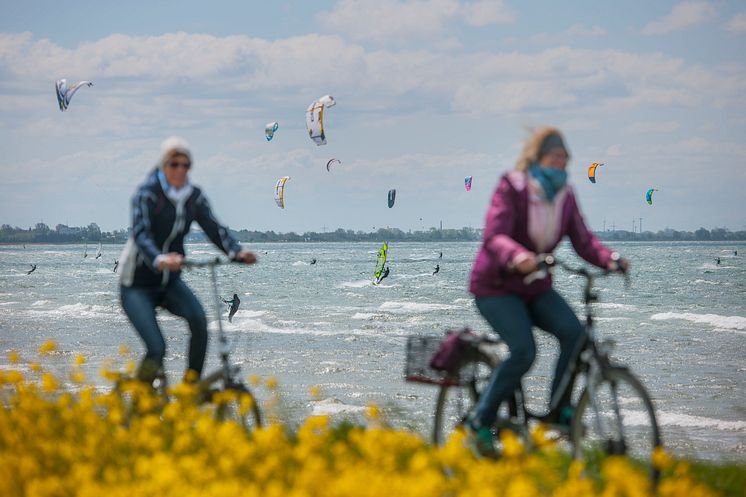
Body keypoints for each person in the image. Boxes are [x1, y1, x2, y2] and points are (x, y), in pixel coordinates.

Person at [466, 127, 628, 457]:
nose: (561, 166)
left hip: (535, 287)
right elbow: (494, 235)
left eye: (565, 160)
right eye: (555, 158)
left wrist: (609, 259)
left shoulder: (565, 196)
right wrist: (518, 256)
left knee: (575, 333)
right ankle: (479, 422)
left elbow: (583, 241)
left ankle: (559, 412)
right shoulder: (513, 187)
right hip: (496, 286)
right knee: (524, 351)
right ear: (538, 158)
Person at [118, 136, 257, 385]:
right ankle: (140, 405)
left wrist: (236, 252)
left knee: (200, 323)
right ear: (163, 165)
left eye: (186, 165)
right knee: (158, 349)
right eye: (174, 164)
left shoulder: (193, 196)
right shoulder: (147, 194)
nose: (180, 170)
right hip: (136, 285)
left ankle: (189, 392)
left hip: (169, 282)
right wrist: (159, 258)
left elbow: (215, 228)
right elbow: (140, 234)